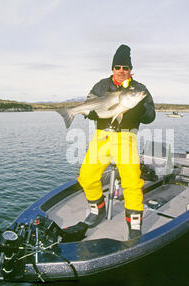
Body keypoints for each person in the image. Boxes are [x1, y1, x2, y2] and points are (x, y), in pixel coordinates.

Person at [77, 44, 156, 240]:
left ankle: (135, 223)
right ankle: (97, 210)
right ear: (112, 68)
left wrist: (140, 111)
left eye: (125, 67)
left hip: (126, 137)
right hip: (102, 136)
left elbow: (151, 115)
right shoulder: (101, 85)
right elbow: (89, 105)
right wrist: (91, 114)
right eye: (118, 67)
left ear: (131, 70)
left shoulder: (139, 88)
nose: (121, 71)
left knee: (131, 182)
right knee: (86, 177)